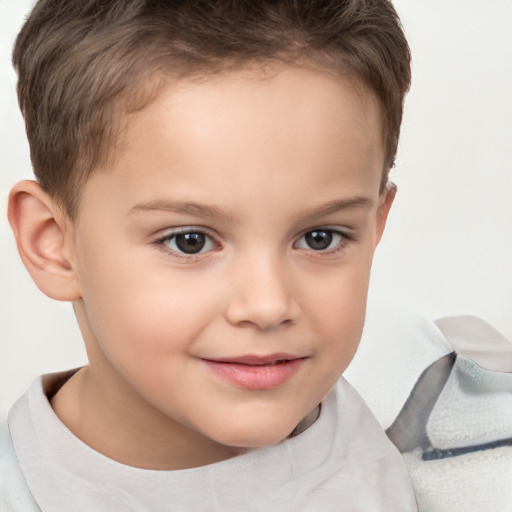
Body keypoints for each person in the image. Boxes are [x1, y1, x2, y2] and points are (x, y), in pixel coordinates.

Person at [0, 1, 418, 510]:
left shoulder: (471, 446)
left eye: (320, 237)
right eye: (189, 241)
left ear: (375, 225)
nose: (267, 305)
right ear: (55, 245)